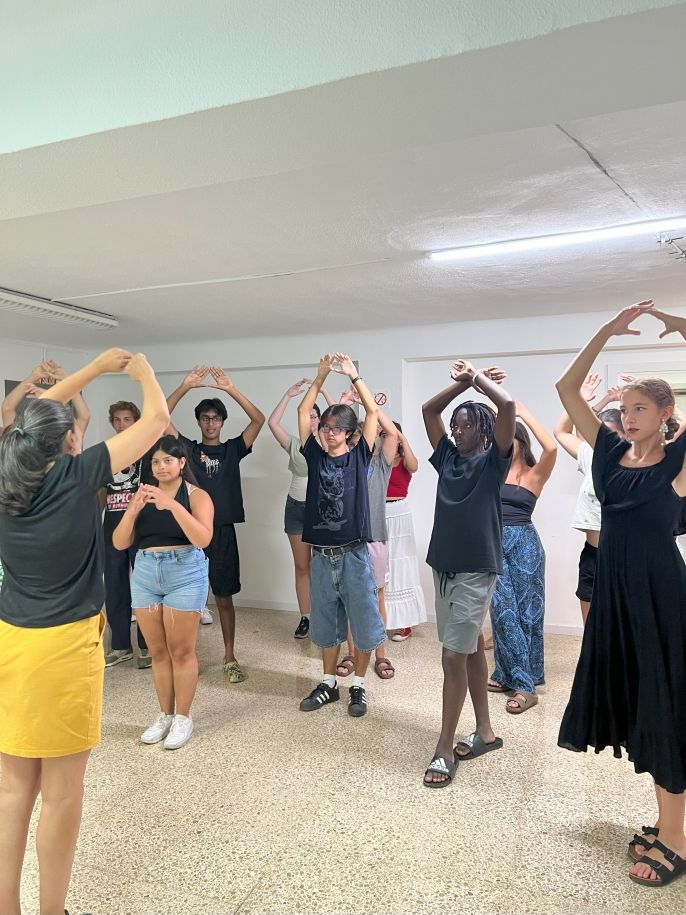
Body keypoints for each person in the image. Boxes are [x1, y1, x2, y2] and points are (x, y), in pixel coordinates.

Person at [0, 348, 168, 915]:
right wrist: (137, 371)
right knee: (62, 795)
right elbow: (158, 422)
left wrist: (92, 371)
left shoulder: (4, 471)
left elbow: (27, 414)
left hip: (11, 643)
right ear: (70, 440)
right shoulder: (78, 475)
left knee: (11, 792)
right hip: (65, 649)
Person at [556, 301, 686, 888]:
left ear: (666, 414)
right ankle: (667, 821)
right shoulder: (609, 454)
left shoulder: (678, 463)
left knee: (665, 710)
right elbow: (566, 388)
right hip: (617, 598)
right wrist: (605, 330)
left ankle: (677, 839)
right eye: (624, 408)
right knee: (640, 706)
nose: (628, 416)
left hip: (661, 600)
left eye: (641, 408)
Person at [422, 361, 514, 787]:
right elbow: (428, 410)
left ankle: (444, 748)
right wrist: (458, 384)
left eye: (463, 426)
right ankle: (486, 732)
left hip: (477, 569)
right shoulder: (447, 460)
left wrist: (479, 380)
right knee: (471, 646)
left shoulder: (494, 462)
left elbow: (508, 405)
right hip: (443, 566)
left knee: (452, 656)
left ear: (482, 429)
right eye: (454, 426)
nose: (456, 432)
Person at [297, 354, 386, 718]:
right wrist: (319, 376)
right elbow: (304, 413)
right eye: (326, 427)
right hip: (321, 555)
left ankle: (359, 686)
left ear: (348, 433)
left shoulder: (359, 457)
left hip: (353, 555)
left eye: (336, 428)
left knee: (363, 621)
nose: (328, 432)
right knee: (325, 622)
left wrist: (355, 375)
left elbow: (374, 415)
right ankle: (329, 682)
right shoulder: (315, 457)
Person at [113, 436, 213, 749]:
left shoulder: (197, 496)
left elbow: (203, 538)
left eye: (168, 460)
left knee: (181, 650)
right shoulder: (142, 495)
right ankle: (164, 714)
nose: (161, 467)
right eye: (155, 462)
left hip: (184, 571)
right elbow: (119, 542)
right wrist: (132, 509)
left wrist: (171, 505)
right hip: (145, 572)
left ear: (182, 463)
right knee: (157, 651)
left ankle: (183, 717)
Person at [166, 365, 265, 682]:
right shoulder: (188, 450)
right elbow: (159, 417)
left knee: (224, 598)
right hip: (188, 531)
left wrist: (230, 389)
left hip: (222, 532)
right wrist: (183, 386)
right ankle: (184, 658)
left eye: (215, 418)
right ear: (199, 422)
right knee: (186, 601)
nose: (210, 423)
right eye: (205, 418)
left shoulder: (233, 449)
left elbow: (258, 420)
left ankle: (230, 656)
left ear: (222, 422)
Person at [487, 403, 557, 713]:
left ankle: (519, 677)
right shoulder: (490, 469)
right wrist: (496, 413)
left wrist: (522, 412)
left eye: (505, 440)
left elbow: (552, 447)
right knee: (502, 612)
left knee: (527, 615)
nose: (498, 446)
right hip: (491, 544)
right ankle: (517, 680)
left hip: (525, 546)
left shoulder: (534, 473)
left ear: (520, 441)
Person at [554, 374, 626, 624]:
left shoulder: (637, 464)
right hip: (593, 555)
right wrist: (582, 399)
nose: (604, 444)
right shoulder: (590, 456)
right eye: (600, 438)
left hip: (625, 557)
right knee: (592, 628)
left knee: (624, 627)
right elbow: (561, 431)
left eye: (612, 437)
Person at [267, 378, 335, 639]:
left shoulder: (333, 444)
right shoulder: (295, 444)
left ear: (321, 420)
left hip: (323, 512)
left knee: (325, 567)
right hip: (296, 509)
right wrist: (288, 395)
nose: (311, 419)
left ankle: (325, 616)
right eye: (307, 415)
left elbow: (345, 417)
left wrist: (325, 390)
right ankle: (306, 617)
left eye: (315, 416)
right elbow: (272, 423)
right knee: (302, 566)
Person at [101, 400, 152, 669]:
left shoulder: (146, 451)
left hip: (141, 528)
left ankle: (147, 645)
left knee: (143, 587)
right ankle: (120, 645)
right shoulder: (106, 453)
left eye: (127, 420)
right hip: (111, 526)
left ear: (136, 422)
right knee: (115, 586)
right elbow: (101, 491)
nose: (121, 425)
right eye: (117, 420)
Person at [384, 422, 427, 641]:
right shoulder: (378, 460)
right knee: (382, 565)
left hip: (400, 512)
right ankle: (383, 619)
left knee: (402, 565)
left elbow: (414, 465)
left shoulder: (404, 461)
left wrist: (404, 439)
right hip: (379, 513)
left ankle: (405, 624)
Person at [2, 359, 91, 454]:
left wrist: (33, 376)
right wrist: (66, 384)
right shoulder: (65, 447)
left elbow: (7, 408)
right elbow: (84, 416)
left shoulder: (20, 447)